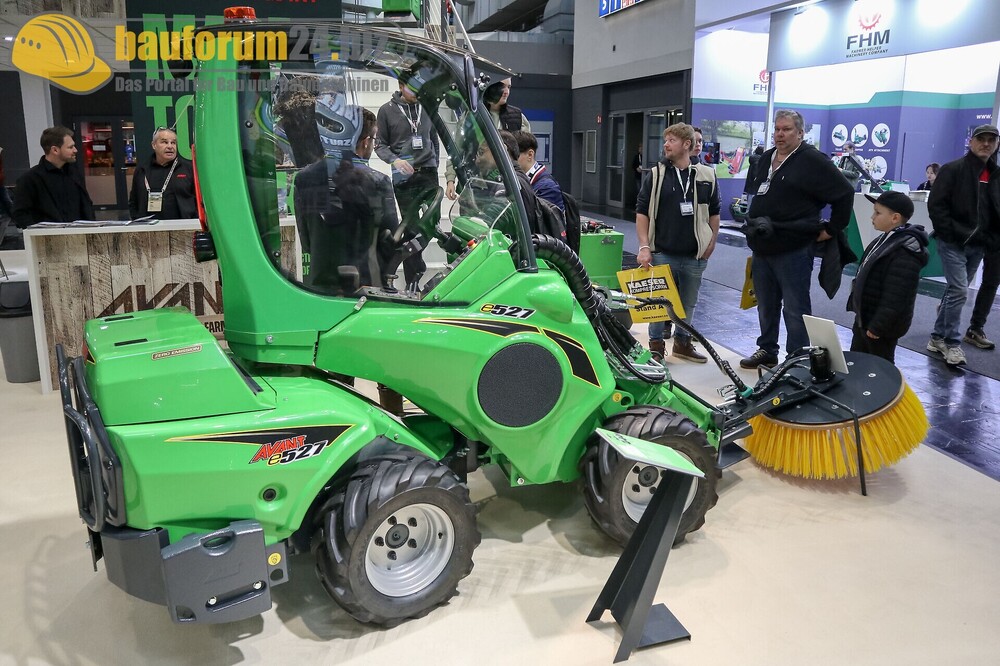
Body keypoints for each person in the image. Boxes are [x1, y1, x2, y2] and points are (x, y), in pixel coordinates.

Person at [740, 109, 854, 369]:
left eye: (787, 129)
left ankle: (797, 358)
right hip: (763, 245)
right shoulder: (767, 157)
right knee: (765, 304)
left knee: (795, 307)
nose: (780, 134)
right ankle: (767, 349)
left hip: (794, 247)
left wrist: (832, 229)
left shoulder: (812, 160)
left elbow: (845, 193)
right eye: (777, 129)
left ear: (801, 133)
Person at [635, 123, 720, 363]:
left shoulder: (706, 175)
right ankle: (655, 347)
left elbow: (714, 212)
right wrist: (644, 247)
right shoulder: (656, 175)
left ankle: (683, 343)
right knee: (658, 305)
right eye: (666, 140)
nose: (666, 144)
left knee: (688, 303)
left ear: (686, 144)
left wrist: (711, 243)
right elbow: (642, 212)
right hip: (662, 251)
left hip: (695, 254)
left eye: (671, 140)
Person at [927, 124, 1000, 365]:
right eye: (981, 139)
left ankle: (937, 337)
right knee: (959, 290)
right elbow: (937, 205)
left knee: (954, 291)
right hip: (953, 242)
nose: (986, 144)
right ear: (971, 141)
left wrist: (990, 238)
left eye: (991, 140)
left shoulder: (995, 174)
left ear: (997, 144)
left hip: (979, 244)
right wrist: (949, 234)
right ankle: (952, 344)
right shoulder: (953, 169)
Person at [376, 76, 442, 291]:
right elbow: (380, 145)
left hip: (428, 174)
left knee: (433, 223)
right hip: (404, 178)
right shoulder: (386, 111)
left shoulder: (427, 108)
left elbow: (434, 139)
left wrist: (434, 163)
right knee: (411, 229)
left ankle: (416, 268)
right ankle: (413, 280)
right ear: (401, 86)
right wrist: (395, 161)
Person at [847, 191, 929, 362]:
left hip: (880, 327)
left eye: (877, 213)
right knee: (857, 363)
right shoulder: (885, 239)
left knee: (880, 368)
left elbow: (897, 295)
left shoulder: (905, 251)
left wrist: (879, 325)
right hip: (865, 318)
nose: (872, 217)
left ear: (895, 218)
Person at [12, 126, 94, 228]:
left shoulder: (74, 173)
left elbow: (86, 205)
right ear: (55, 150)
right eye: (70, 147)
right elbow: (20, 213)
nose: (75, 150)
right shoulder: (30, 179)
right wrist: (39, 232)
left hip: (78, 234)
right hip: (47, 236)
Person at [128, 127, 196, 220]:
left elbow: (200, 200)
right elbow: (133, 201)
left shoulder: (189, 168)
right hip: (149, 226)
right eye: (164, 142)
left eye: (173, 142)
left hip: (182, 225)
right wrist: (136, 220)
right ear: (154, 145)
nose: (170, 146)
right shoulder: (142, 169)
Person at [514, 130, 564, 212]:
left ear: (530, 155)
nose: (510, 160)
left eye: (514, 155)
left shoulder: (547, 187)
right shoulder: (525, 180)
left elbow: (539, 218)